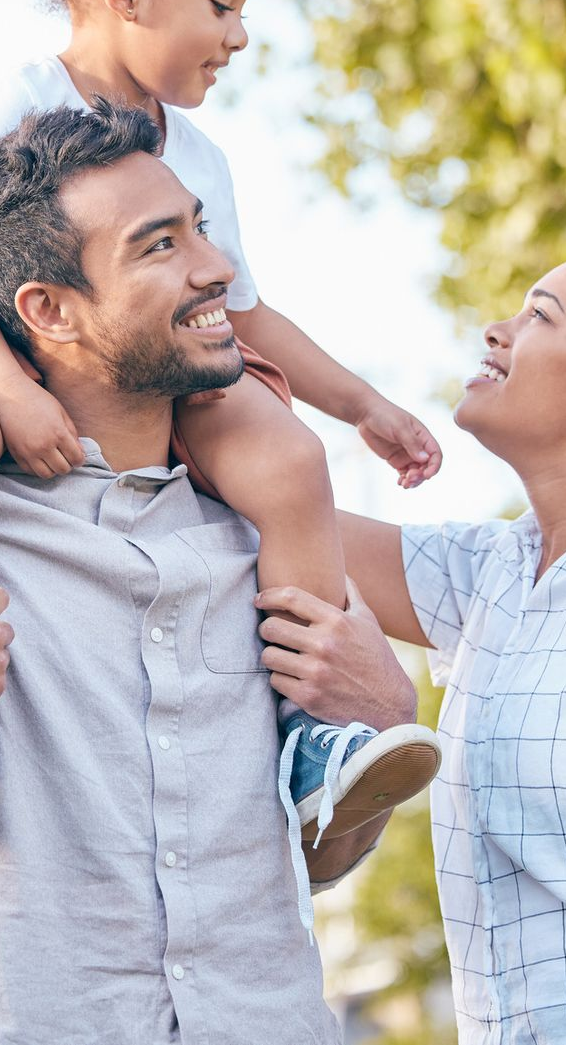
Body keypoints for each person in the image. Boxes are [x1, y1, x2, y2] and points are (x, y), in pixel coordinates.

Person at [0, 0, 441, 849]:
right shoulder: (23, 104)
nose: (238, 36)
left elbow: (242, 311)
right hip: (37, 363)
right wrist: (9, 389)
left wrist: (361, 406)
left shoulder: (194, 155)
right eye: (221, 4)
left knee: (287, 462)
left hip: (162, 378)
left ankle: (308, 739)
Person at [0, 98, 422, 1045]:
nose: (217, 267)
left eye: (200, 226)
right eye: (160, 246)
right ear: (49, 311)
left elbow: (326, 857)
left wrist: (379, 717)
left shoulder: (272, 535)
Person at [259, 242, 566, 1044]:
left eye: (538, 314)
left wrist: (391, 710)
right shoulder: (493, 570)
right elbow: (274, 499)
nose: (496, 331)